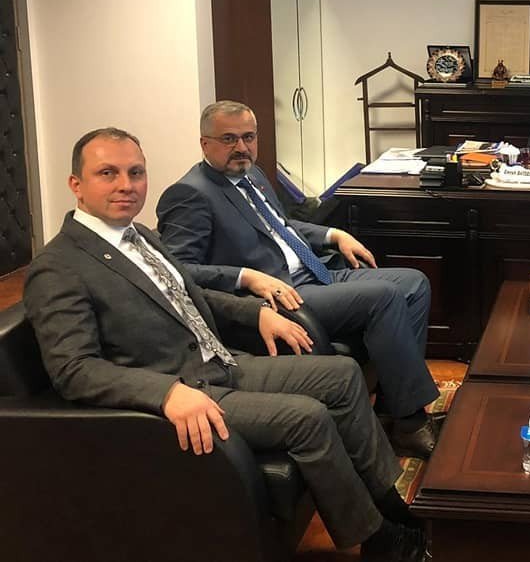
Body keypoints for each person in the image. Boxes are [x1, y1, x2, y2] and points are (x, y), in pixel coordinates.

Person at [22, 128, 428, 561]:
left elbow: (189, 293)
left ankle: (391, 505)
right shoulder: (58, 267)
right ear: (76, 184)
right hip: (182, 387)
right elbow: (73, 369)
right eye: (108, 173)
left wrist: (255, 312)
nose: (126, 185)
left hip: (219, 362)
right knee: (308, 417)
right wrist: (166, 393)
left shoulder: (138, 235)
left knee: (342, 375)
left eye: (135, 172)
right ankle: (379, 538)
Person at [156, 101, 439, 459]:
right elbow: (177, 268)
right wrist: (246, 277)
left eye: (248, 137)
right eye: (229, 139)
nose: (241, 147)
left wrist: (333, 235)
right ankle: (411, 424)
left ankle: (390, 406)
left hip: (315, 271)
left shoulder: (252, 175)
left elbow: (282, 226)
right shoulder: (190, 194)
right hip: (284, 294)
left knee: (414, 283)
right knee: (383, 296)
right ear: (204, 143)